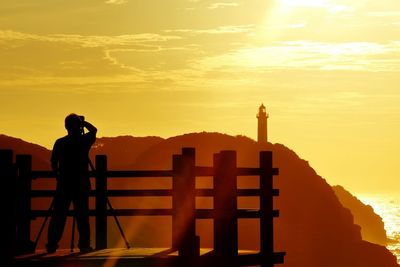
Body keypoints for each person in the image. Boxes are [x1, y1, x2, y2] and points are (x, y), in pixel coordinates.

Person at [46, 114, 97, 253]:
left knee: (58, 215)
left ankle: (52, 243)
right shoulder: (83, 141)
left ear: (66, 126)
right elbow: (94, 130)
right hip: (81, 183)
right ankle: (84, 244)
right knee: (82, 215)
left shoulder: (60, 142)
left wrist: (57, 176)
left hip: (64, 183)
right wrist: (84, 123)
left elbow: (53, 162)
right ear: (78, 126)